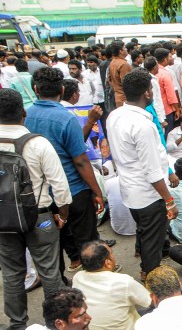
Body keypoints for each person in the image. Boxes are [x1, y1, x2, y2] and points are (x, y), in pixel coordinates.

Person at [0, 88, 71, 329]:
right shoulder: (37, 143)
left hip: (3, 219)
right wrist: (62, 215)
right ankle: (56, 322)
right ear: (23, 112)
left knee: (11, 273)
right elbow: (59, 184)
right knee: (50, 272)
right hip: (39, 217)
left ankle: (17, 323)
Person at [26, 67, 106, 276]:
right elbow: (80, 159)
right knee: (87, 239)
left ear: (35, 89)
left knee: (55, 242)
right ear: (62, 89)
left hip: (43, 193)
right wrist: (96, 191)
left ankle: (62, 282)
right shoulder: (65, 118)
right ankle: (95, 279)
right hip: (74, 189)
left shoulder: (26, 116)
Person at [106, 69, 179, 281]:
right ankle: (150, 276)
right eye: (151, 89)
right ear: (146, 93)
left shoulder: (115, 115)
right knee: (152, 242)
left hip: (129, 190)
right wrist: (169, 200)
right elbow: (152, 171)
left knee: (145, 231)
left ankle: (145, 259)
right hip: (148, 195)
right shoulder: (143, 125)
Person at [72, 241, 151, 330]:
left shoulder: (77, 277)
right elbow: (151, 301)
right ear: (107, 263)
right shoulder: (124, 282)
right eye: (111, 253)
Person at [106, 41, 132, 108]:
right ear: (120, 51)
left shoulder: (112, 62)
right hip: (125, 99)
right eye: (125, 47)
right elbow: (127, 83)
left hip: (117, 97)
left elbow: (109, 80)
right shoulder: (123, 64)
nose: (126, 49)